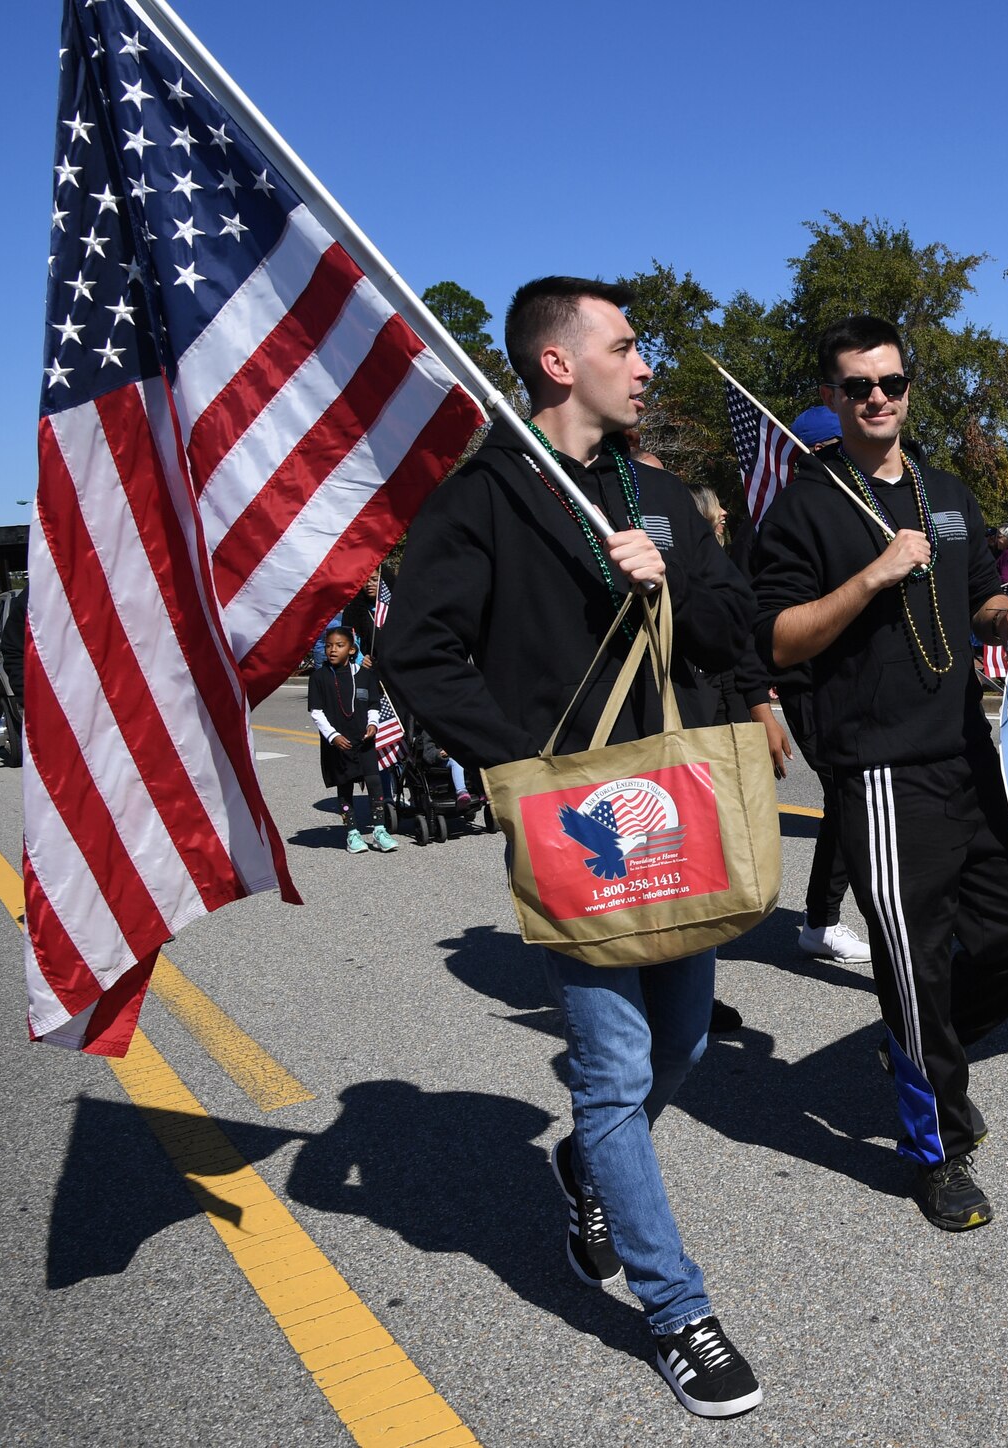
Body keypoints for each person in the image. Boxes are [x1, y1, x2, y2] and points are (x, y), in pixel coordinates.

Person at [381, 276, 763, 1418]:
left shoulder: (656, 491)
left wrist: (674, 581)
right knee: (611, 1068)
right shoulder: (486, 495)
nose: (646, 366)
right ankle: (676, 1308)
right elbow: (418, 653)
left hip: (676, 807)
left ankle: (586, 1168)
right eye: (626, 346)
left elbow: (728, 627)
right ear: (558, 362)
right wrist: (524, 772)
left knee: (683, 1046)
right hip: (576, 827)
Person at [749, 314, 1008, 1231]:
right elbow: (778, 635)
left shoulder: (944, 490)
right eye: (856, 386)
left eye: (891, 382)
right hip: (877, 770)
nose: (877, 397)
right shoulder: (803, 506)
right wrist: (875, 576)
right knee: (914, 970)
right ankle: (937, 1148)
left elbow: (975, 592)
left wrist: (1005, 617)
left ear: (910, 387)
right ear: (833, 399)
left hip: (967, 752)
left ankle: (920, 1049)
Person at [764, 405, 877, 970]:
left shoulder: (863, 508)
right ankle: (824, 922)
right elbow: (759, 623)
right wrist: (760, 702)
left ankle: (828, 918)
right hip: (810, 685)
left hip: (862, 683)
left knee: (859, 799)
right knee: (847, 798)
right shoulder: (791, 516)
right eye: (837, 447)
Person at [686, 480, 798, 1036]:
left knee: (713, 861)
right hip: (681, 725)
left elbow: (738, 646)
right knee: (685, 860)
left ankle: (693, 993)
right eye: (714, 508)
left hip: (722, 716)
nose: (726, 511)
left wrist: (759, 708)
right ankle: (680, 997)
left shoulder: (717, 565)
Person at [307, 626, 397, 854]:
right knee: (345, 786)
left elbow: (374, 703)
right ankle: (352, 833)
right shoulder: (319, 677)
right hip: (339, 743)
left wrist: (373, 723)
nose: (332, 650)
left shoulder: (364, 675)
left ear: (351, 649)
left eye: (339, 645)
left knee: (374, 783)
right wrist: (333, 736)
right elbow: (316, 712)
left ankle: (379, 830)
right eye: (328, 646)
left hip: (364, 740)